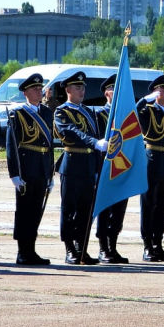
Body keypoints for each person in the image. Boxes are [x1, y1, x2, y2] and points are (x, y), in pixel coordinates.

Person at [53, 70, 107, 265]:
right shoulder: (62, 112)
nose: (82, 90)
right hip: (73, 163)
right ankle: (69, 248)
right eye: (77, 87)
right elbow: (71, 131)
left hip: (89, 164)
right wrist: (94, 142)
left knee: (86, 209)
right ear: (68, 90)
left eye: (83, 87)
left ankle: (81, 247)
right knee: (70, 209)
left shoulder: (89, 111)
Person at [7, 72, 55, 266]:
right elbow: (12, 145)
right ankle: (22, 251)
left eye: (40, 88)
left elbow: (50, 146)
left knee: (36, 211)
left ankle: (31, 250)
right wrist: (15, 174)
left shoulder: (47, 113)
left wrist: (50, 174)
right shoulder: (18, 113)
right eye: (34, 89)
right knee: (24, 211)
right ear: (25, 92)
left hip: (42, 168)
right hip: (27, 167)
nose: (39, 91)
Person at [138, 74, 164, 262]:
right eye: (162, 89)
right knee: (149, 204)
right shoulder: (147, 111)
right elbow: (135, 116)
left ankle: (158, 244)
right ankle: (147, 245)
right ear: (155, 92)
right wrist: (143, 101)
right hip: (152, 160)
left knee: (163, 205)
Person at [94, 73, 129, 263]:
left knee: (119, 211)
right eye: (114, 89)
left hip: (122, 167)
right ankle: (103, 248)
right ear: (107, 93)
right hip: (107, 167)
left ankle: (113, 246)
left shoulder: (126, 116)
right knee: (106, 209)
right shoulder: (100, 115)